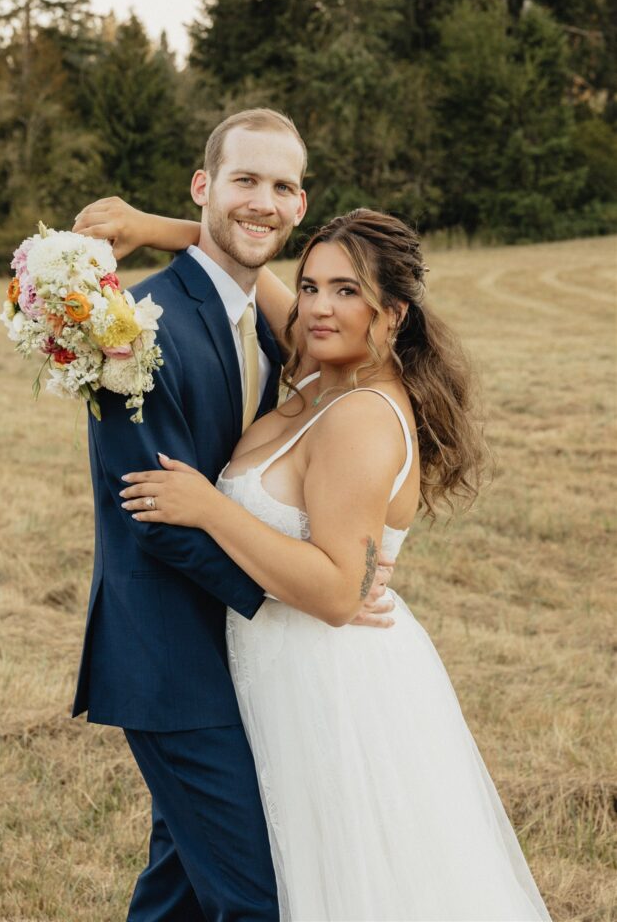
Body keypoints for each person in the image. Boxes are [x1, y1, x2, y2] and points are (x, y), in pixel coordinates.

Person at [110, 207, 552, 920]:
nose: (317, 305)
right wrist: (154, 227)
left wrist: (210, 507)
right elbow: (245, 269)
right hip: (271, 664)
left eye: (346, 291)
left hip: (327, 682)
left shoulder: (362, 417)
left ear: (392, 312)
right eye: (312, 284)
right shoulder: (324, 366)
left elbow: (339, 594)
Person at [71, 109, 395, 922]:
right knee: (257, 897)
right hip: (171, 657)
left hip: (238, 654)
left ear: (299, 203)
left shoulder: (281, 323)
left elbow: (256, 260)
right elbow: (155, 513)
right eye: (243, 179)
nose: (262, 201)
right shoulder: (133, 325)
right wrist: (313, 588)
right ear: (203, 186)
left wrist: (156, 224)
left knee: (179, 885)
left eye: (280, 187)